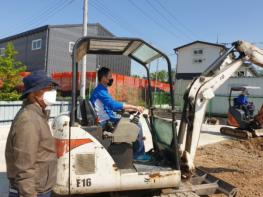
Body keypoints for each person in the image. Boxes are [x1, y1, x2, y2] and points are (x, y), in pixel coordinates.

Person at [5, 71, 58, 197]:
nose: (52, 92)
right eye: (47, 88)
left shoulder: (38, 114)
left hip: (39, 187)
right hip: (33, 191)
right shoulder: (28, 120)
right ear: (33, 94)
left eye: (52, 88)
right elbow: (24, 165)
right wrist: (29, 194)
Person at [90, 67, 151, 161]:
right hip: (105, 122)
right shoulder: (100, 91)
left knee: (130, 120)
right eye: (110, 76)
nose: (111, 78)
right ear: (103, 78)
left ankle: (134, 151)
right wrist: (135, 107)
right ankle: (139, 154)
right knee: (136, 124)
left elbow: (110, 106)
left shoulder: (102, 90)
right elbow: (114, 105)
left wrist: (128, 108)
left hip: (107, 119)